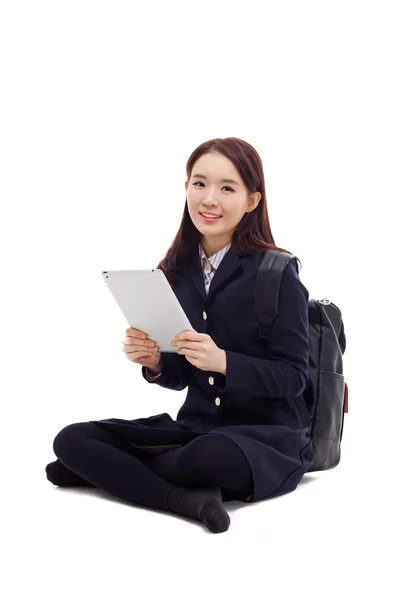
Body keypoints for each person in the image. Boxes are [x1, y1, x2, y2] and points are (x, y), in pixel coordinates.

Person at [45, 136, 313, 534]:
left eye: (227, 188)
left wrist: (224, 362)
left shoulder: (277, 273)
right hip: (195, 430)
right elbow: (182, 375)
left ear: (252, 201)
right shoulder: (175, 270)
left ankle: (111, 473)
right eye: (199, 183)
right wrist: (154, 362)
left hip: (263, 438)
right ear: (186, 187)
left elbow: (295, 379)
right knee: (70, 440)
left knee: (209, 457)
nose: (209, 199)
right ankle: (184, 498)